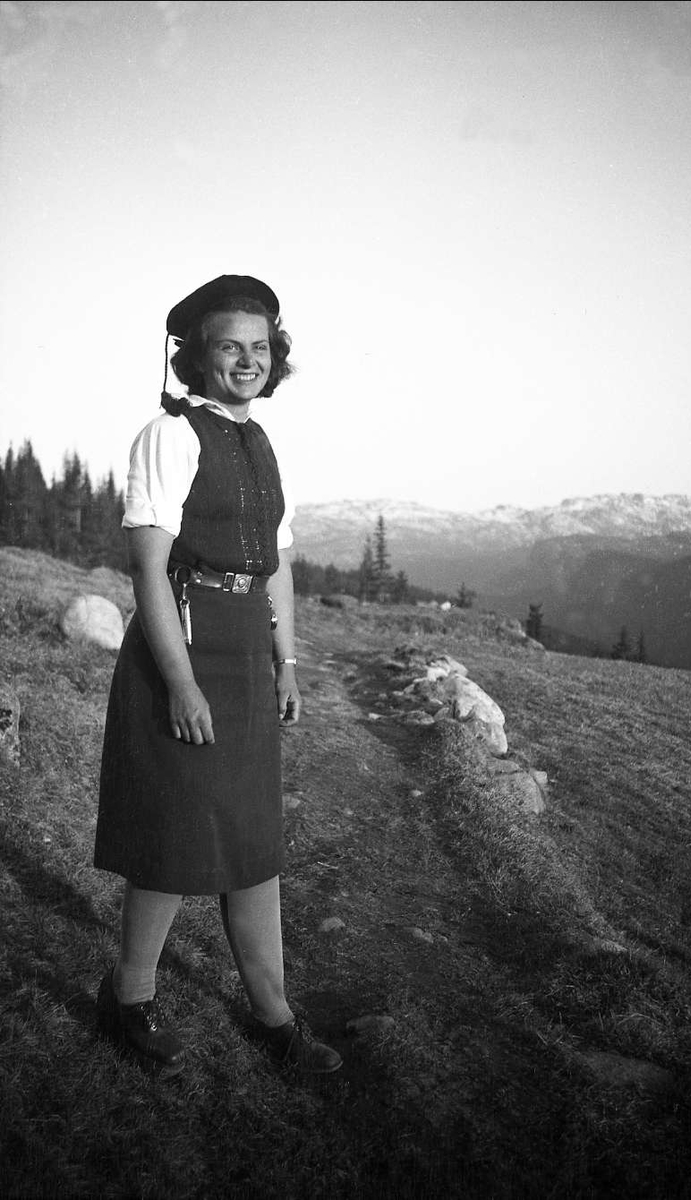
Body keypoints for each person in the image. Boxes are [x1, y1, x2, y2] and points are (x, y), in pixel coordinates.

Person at [94, 274, 341, 1077]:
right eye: (229, 346)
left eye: (259, 347)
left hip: (245, 656)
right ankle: (128, 999)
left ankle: (273, 1016)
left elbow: (276, 567)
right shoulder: (170, 436)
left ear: (277, 359)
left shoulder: (261, 443)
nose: (246, 360)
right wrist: (181, 682)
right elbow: (150, 571)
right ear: (195, 356)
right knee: (175, 835)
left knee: (253, 839)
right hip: (188, 647)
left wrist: (288, 661)